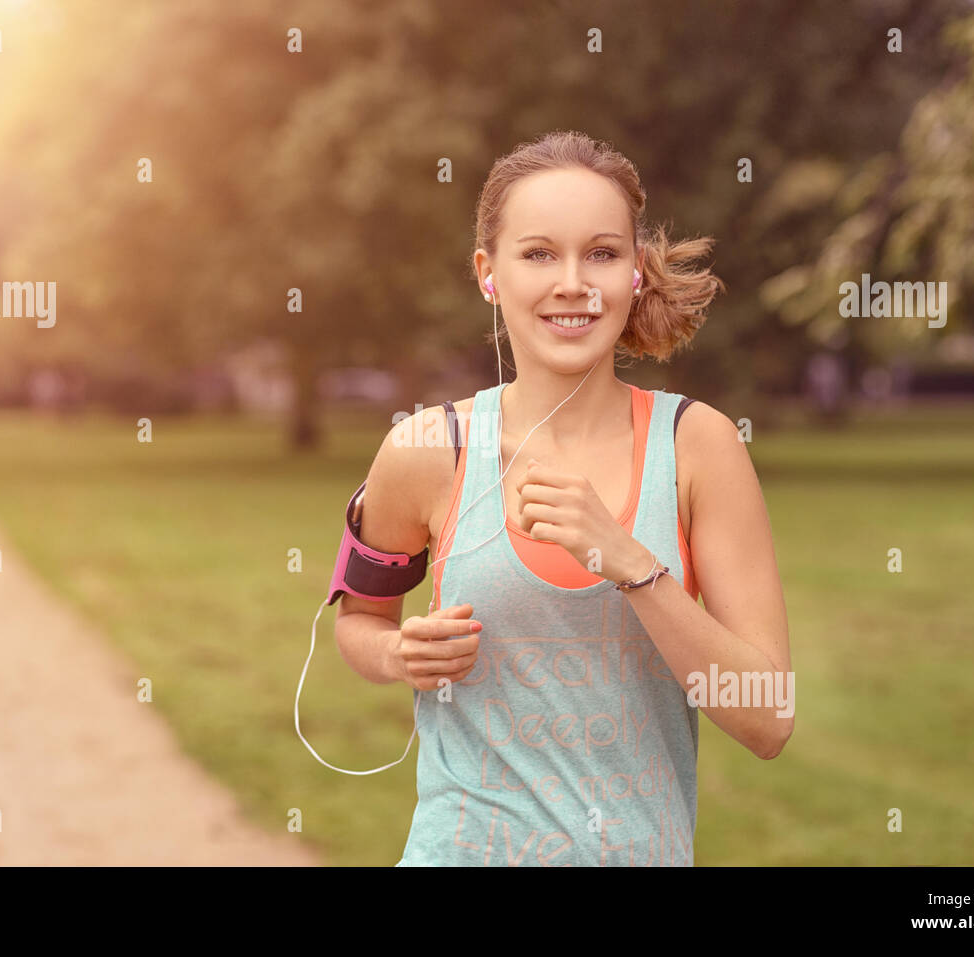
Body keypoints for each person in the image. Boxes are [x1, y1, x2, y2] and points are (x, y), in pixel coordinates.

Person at [332, 130, 791, 866]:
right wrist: (396, 654)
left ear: (636, 272)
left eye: (603, 253)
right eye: (539, 253)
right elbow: (359, 620)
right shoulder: (426, 448)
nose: (573, 282)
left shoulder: (698, 447)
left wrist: (632, 564)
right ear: (489, 273)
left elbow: (768, 719)